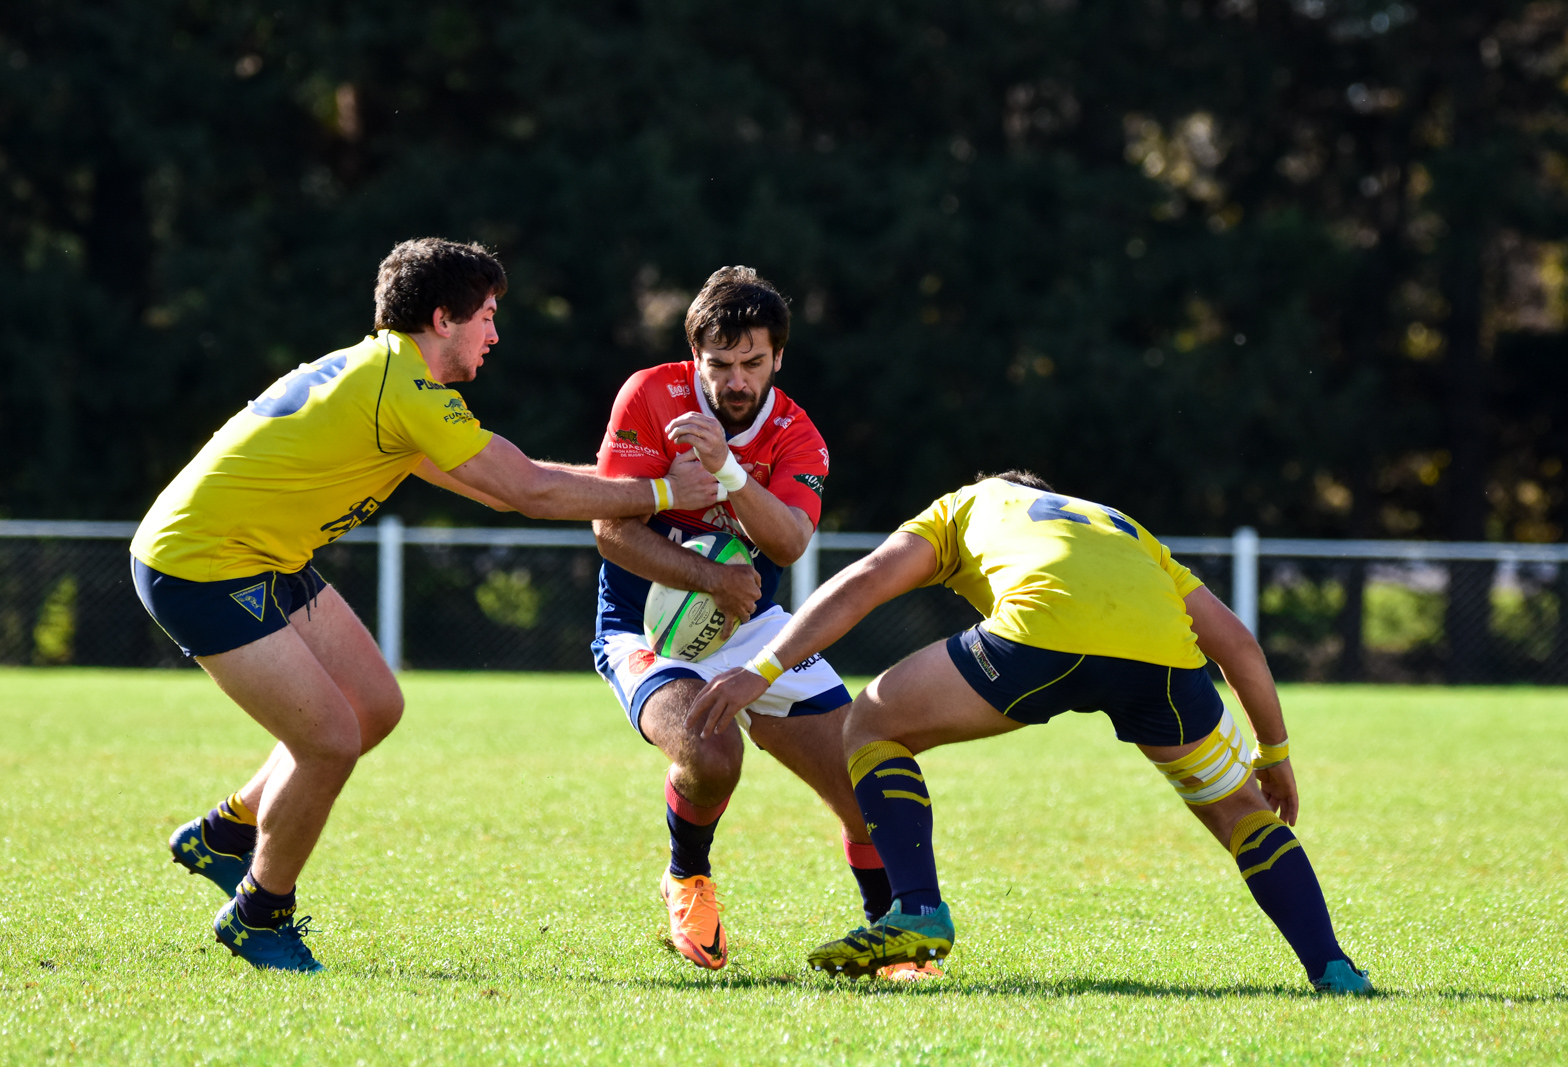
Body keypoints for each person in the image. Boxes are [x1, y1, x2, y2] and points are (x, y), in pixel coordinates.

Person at [132, 238, 719, 973]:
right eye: (488, 316)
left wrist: (636, 485)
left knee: (374, 704)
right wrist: (665, 494)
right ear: (444, 318)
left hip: (260, 553)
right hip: (200, 565)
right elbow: (527, 489)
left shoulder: (389, 376)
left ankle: (225, 833)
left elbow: (511, 483)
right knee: (330, 741)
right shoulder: (402, 388)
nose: (495, 335)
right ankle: (259, 912)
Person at [690, 471, 1374, 994]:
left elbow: (867, 580)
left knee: (871, 720)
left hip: (1042, 633)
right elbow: (1239, 644)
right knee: (1241, 812)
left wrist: (763, 668)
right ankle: (1334, 968)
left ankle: (919, 908)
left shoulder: (966, 505)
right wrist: (1274, 754)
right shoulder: (1120, 525)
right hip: (1159, 651)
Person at [590, 267, 923, 975]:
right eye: (719, 364)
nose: (735, 380)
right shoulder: (652, 394)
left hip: (752, 624)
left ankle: (885, 929)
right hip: (645, 625)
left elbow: (791, 543)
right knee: (711, 754)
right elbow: (610, 531)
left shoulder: (798, 433)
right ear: (694, 355)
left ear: (778, 358)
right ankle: (687, 878)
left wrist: (732, 473)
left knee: (863, 779)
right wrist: (710, 576)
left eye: (751, 363)